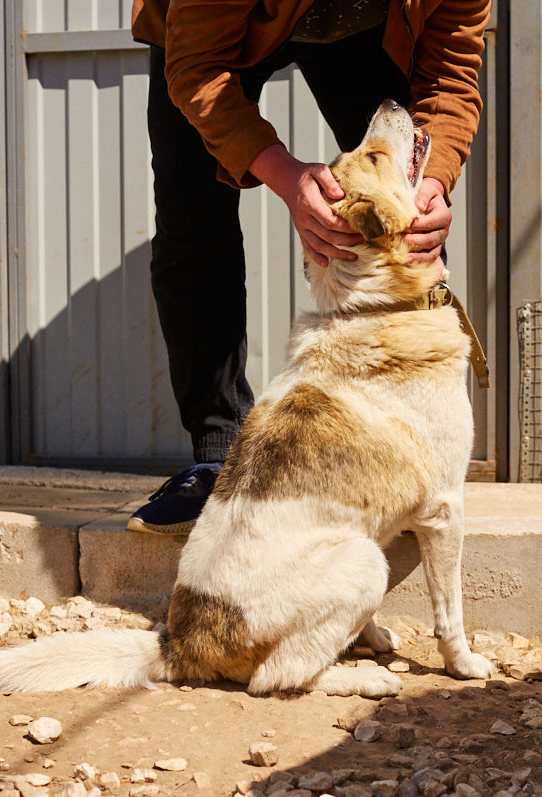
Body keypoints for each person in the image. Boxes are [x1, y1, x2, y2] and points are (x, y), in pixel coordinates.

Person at [126, 0, 490, 533]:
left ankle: (412, 455)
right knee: (192, 220)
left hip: (361, 24)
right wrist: (286, 175)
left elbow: (450, 75)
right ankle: (218, 455)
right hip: (209, 37)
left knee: (406, 214)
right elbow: (198, 71)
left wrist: (429, 180)